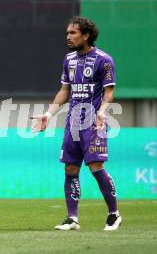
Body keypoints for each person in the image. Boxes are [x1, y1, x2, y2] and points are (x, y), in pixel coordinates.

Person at [32, 17, 122, 231]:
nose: (68, 37)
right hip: (73, 123)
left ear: (86, 35)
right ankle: (72, 218)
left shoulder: (104, 59)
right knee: (71, 168)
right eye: (67, 33)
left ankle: (114, 214)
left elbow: (109, 91)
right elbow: (65, 90)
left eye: (73, 33)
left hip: (94, 123)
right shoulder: (69, 59)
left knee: (95, 166)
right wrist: (49, 114)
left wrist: (102, 111)